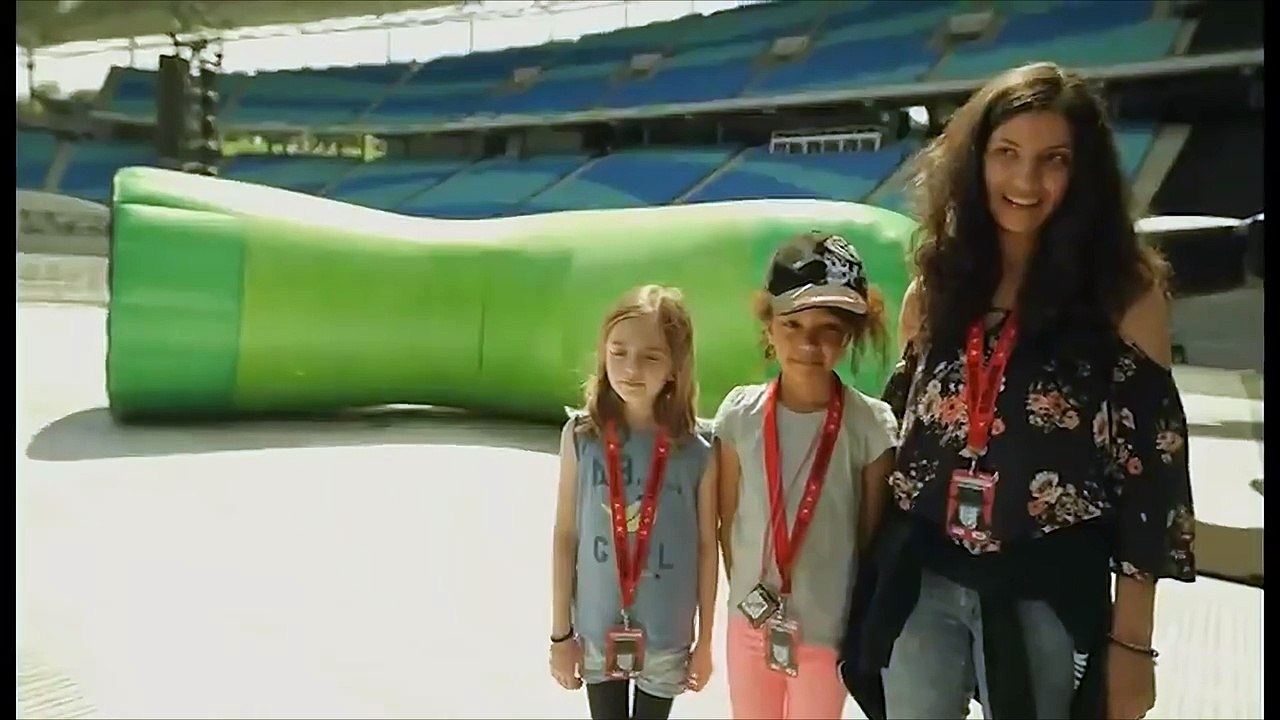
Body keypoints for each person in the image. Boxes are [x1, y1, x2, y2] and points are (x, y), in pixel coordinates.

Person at [841, 62, 1197, 720]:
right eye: (1006, 154)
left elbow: (1154, 478)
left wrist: (1132, 644)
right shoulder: (939, 285)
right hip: (924, 578)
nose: (1025, 181)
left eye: (1052, 159)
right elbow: (904, 443)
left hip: (1047, 586)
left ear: (1082, 171)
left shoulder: (1124, 295)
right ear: (976, 161)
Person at [714, 231, 898, 720]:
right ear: (768, 326)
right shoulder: (739, 416)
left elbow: (867, 538)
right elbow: (728, 522)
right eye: (792, 323)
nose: (808, 343)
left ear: (851, 334)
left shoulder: (871, 426)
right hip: (750, 626)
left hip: (826, 633)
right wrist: (757, 599)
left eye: (828, 329)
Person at [549, 285, 719, 720]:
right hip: (595, 628)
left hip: (666, 634)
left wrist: (705, 642)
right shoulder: (581, 437)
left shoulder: (699, 450)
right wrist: (559, 636)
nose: (631, 368)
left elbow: (706, 547)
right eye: (618, 352)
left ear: (676, 368)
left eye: (650, 356)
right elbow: (566, 535)